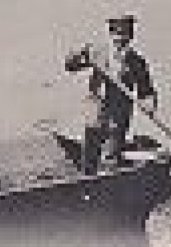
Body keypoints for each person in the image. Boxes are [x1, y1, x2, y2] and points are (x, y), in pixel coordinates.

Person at [64, 13, 157, 174]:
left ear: (131, 36)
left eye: (125, 34)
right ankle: (88, 186)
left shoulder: (136, 62)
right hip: (95, 113)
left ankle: (108, 188)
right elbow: (70, 66)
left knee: (110, 158)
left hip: (118, 118)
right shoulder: (96, 52)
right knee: (89, 157)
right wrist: (77, 56)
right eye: (117, 33)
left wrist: (149, 105)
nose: (120, 38)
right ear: (110, 33)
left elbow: (146, 90)